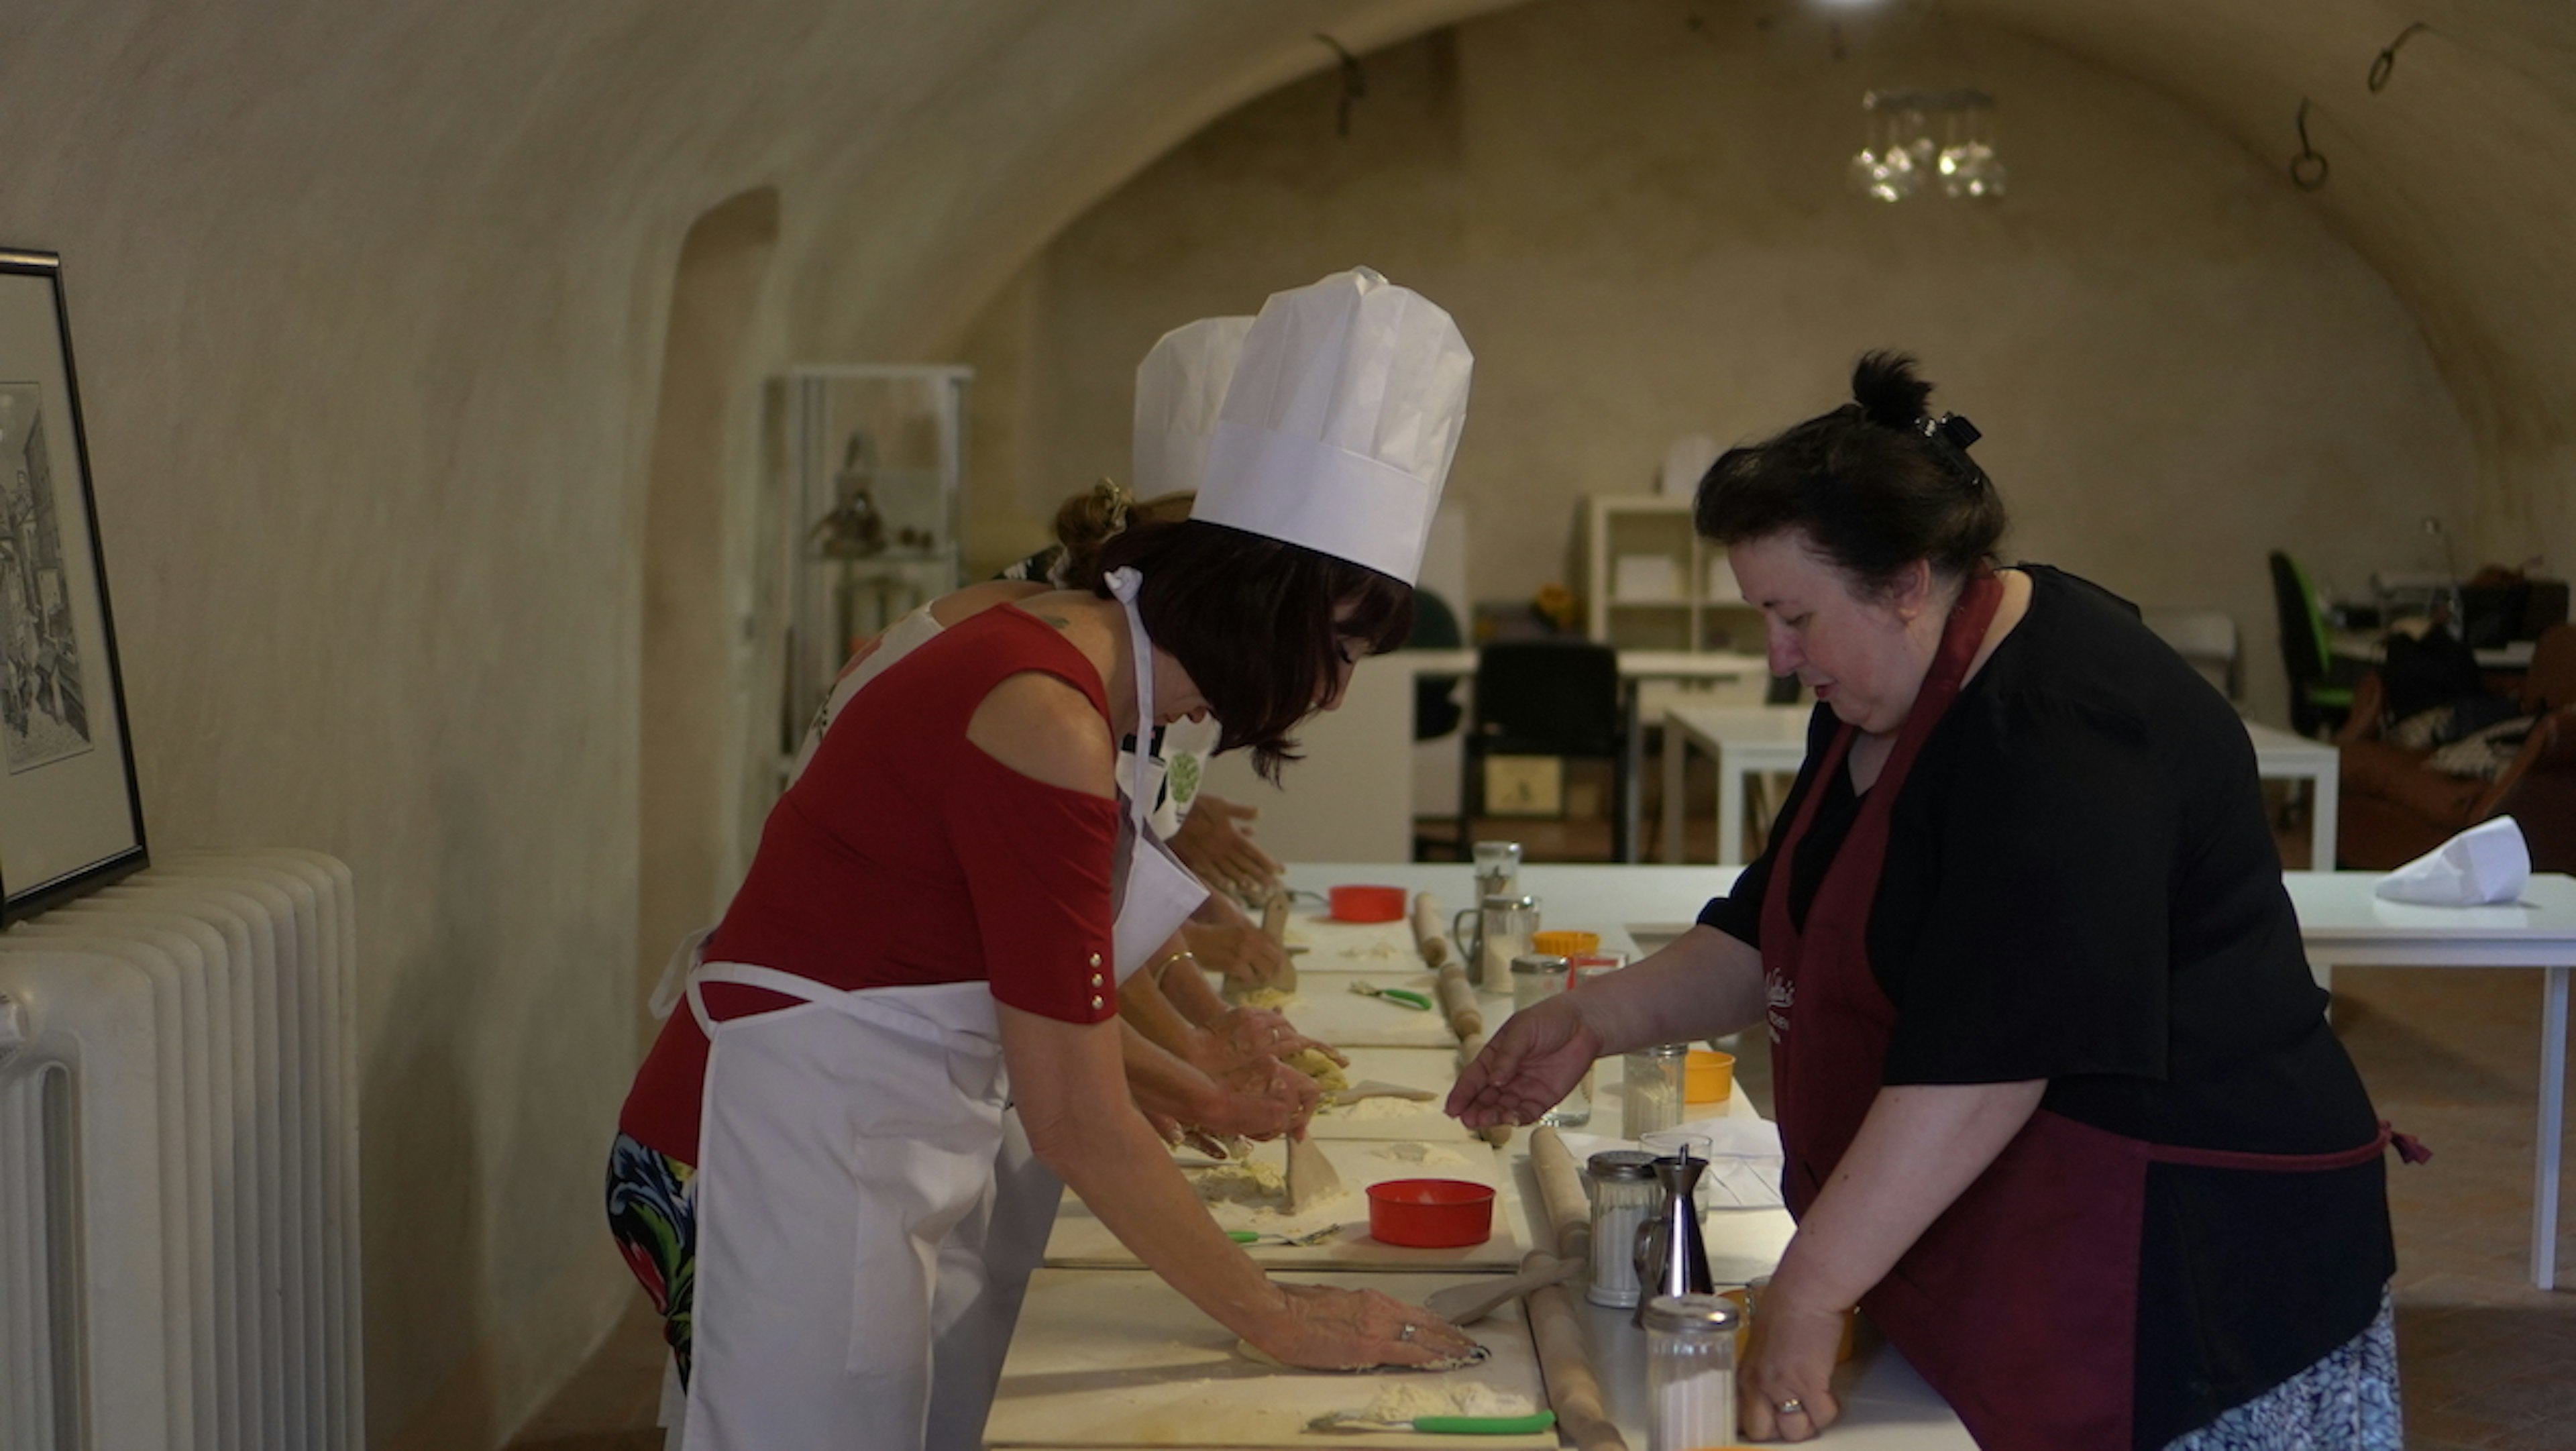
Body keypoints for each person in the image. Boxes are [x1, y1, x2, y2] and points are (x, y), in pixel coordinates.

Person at [1450, 354, 2412, 1451]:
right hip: (2013, 1226)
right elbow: (1781, 922)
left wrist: (1810, 1294)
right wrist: (1597, 1017)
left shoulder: (2066, 729)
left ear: (1906, 581)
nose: (1778, 656)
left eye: (1794, 617)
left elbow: (1988, 1062)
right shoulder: (1878, 686)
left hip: (2195, 1266)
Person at [612, 268, 1482, 1451]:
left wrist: (1197, 1081)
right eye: (1334, 647)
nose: (1330, 693)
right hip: (764, 1142)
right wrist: (1271, 1313)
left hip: (849, 1129)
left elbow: (1042, 1006)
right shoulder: (1044, 714)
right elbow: (1074, 1111)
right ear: (1256, 602)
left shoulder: (1088, 687)